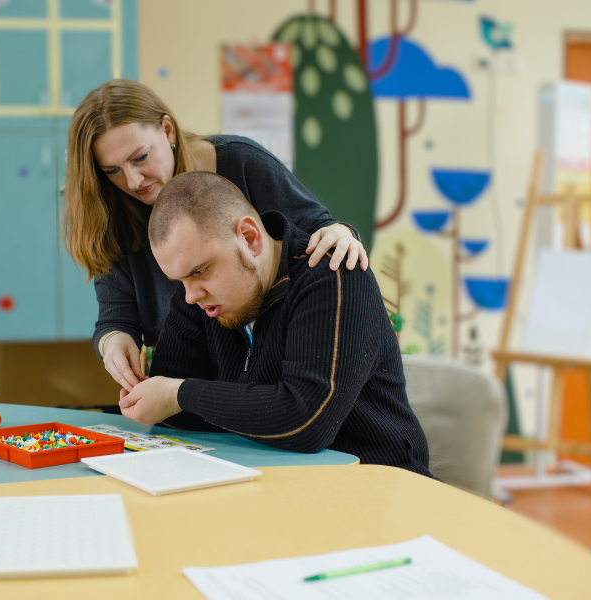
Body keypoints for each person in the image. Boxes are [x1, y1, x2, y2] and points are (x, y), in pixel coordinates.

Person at [63, 79, 369, 392]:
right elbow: (116, 318)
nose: (132, 180)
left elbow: (318, 230)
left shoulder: (240, 161)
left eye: (140, 157)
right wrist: (115, 342)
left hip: (270, 370)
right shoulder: (109, 210)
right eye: (112, 170)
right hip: (187, 372)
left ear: (168, 131)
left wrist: (341, 233)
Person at [116, 171, 431, 476]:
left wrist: (178, 394)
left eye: (201, 271)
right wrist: (170, 397)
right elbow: (174, 415)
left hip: (379, 486)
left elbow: (307, 423)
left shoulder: (333, 273)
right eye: (180, 279)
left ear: (250, 239)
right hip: (275, 486)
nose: (190, 295)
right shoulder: (199, 297)